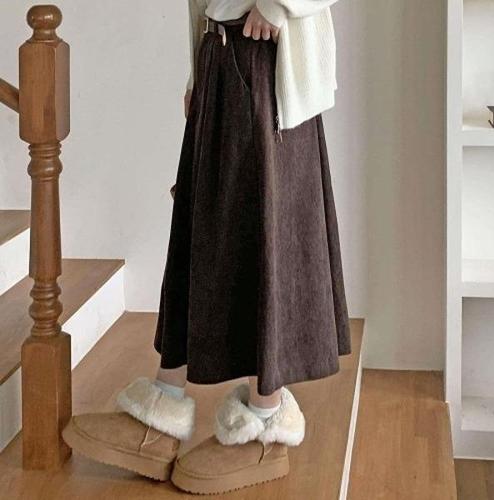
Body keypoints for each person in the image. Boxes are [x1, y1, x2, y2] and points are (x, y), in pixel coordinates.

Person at [63, 0, 351, 494]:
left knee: (263, 234)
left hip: (265, 58)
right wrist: (201, 73)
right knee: (200, 231)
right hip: (221, 51)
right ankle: (162, 408)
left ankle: (265, 420)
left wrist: (277, 5)